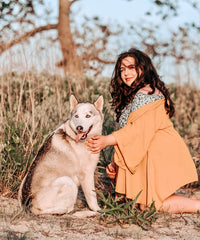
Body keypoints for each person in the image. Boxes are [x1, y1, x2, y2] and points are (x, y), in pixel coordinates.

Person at [87, 48, 199, 213]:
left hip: (159, 152)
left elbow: (137, 131)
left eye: (131, 67)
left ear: (144, 68)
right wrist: (115, 162)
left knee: (150, 204)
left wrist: (107, 140)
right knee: (143, 203)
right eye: (122, 69)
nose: (125, 73)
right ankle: (188, 201)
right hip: (147, 151)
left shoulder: (147, 94)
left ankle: (196, 206)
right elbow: (128, 133)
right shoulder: (134, 96)